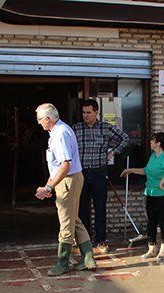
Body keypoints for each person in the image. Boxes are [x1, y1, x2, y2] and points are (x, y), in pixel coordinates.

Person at [35, 103, 97, 276]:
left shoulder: (60, 133)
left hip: (68, 180)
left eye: (40, 119)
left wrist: (48, 186)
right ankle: (88, 258)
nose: (38, 123)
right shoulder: (58, 131)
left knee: (66, 222)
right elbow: (56, 167)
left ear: (48, 119)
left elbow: (65, 165)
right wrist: (49, 185)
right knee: (73, 218)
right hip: (67, 179)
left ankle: (62, 263)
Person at [73, 99, 129, 254]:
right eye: (84, 112)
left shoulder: (106, 128)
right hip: (81, 173)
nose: (85, 115)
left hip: (99, 172)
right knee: (82, 208)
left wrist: (113, 152)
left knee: (100, 207)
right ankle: (84, 240)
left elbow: (125, 138)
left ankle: (101, 240)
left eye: (89, 112)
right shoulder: (76, 129)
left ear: (96, 112)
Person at [120, 132, 164, 263]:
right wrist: (130, 170)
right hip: (149, 195)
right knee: (151, 223)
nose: (150, 142)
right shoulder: (153, 156)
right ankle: (152, 248)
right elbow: (146, 170)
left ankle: (163, 249)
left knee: (163, 223)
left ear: (158, 143)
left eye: (152, 140)